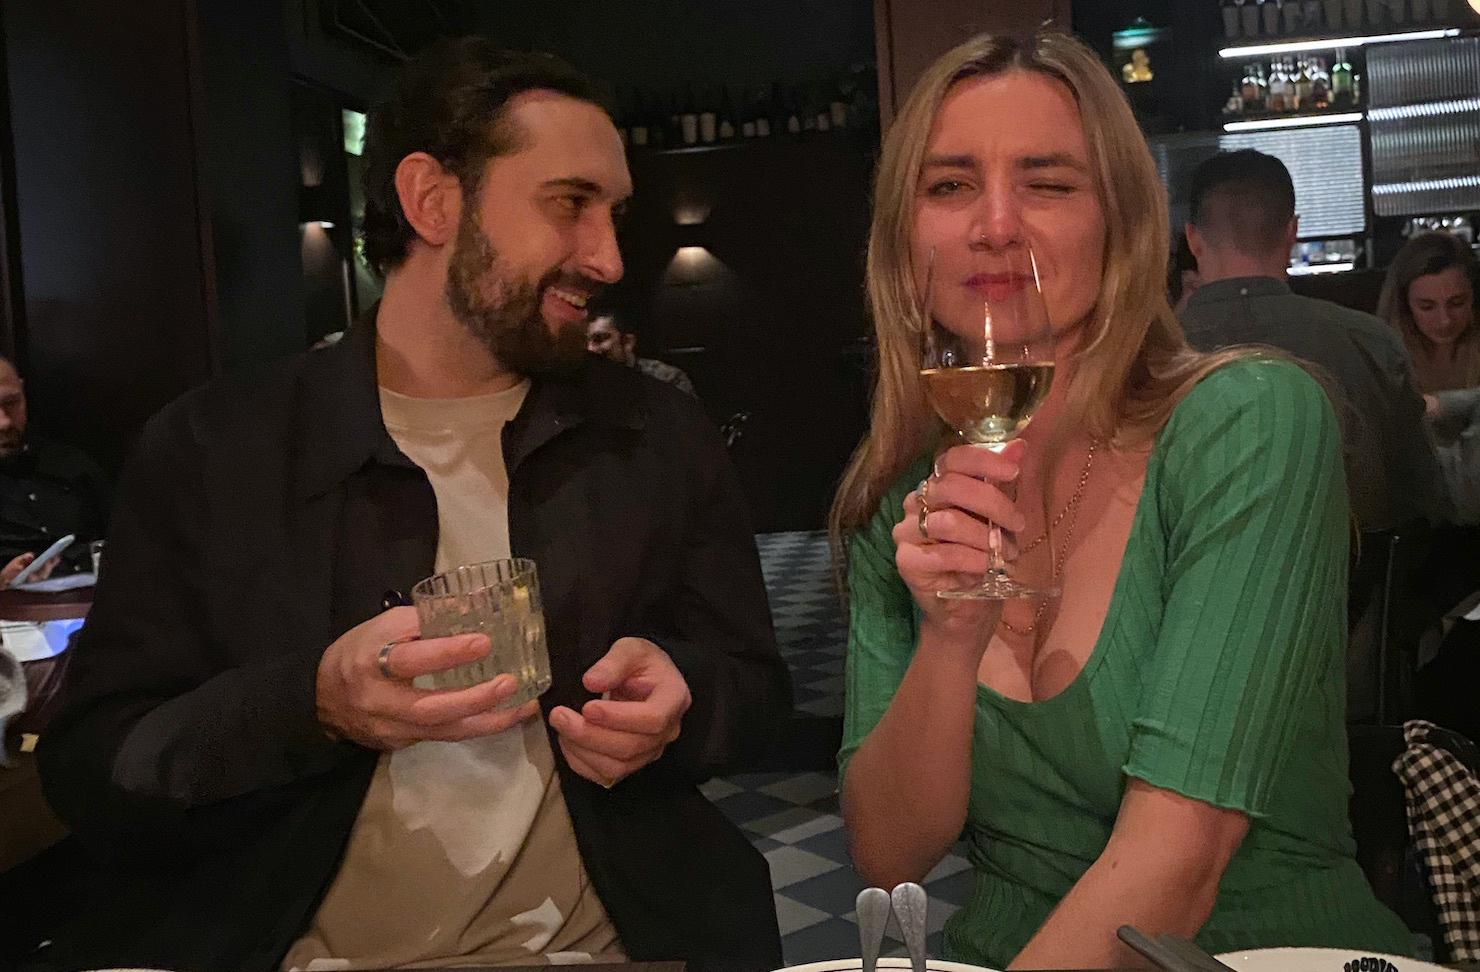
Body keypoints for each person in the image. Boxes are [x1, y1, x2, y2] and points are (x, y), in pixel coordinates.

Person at [35, 40, 789, 972]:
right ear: (432, 199)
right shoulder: (213, 450)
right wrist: (311, 705)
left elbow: (756, 689)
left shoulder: (654, 433)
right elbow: (92, 769)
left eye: (615, 213)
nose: (606, 256)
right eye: (569, 204)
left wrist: (684, 691)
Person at [829, 30, 1413, 970]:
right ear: (905, 239)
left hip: (1262, 954)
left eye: (1047, 182)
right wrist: (948, 641)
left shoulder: (1249, 420)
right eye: (949, 186)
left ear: (1123, 223)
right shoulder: (895, 498)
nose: (995, 225)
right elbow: (890, 853)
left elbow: (1179, 865)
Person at [1179, 149, 1451, 530]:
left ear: (1193, 239)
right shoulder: (1370, 343)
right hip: (1352, 585)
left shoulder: (1142, 352)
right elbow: (1427, 503)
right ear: (1293, 231)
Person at [0, 355, 111, 584]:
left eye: (11, 403)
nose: (4, 423)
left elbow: (127, 543)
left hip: (87, 603)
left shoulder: (73, 465)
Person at [1378, 230, 1480, 394]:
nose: (1445, 320)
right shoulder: (1382, 361)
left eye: (1457, 303)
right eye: (1427, 306)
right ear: (1404, 306)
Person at [586, 312, 697, 395]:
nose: (590, 348)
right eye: (585, 341)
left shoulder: (667, 379)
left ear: (627, 342)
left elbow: (690, 422)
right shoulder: (585, 382)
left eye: (599, 338)